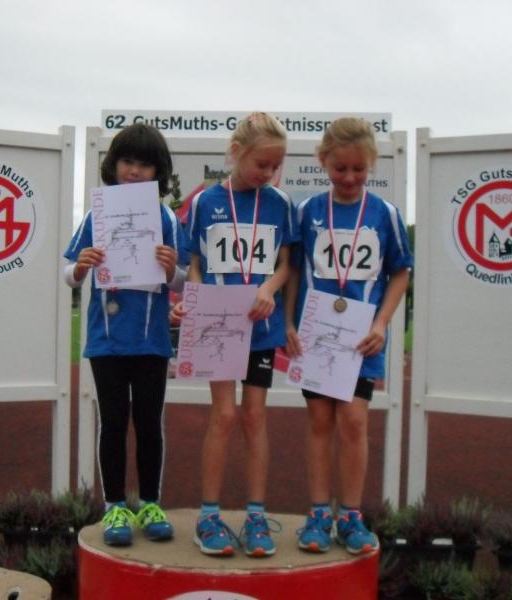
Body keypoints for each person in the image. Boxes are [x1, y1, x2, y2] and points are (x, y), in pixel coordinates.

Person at [285, 117, 412, 555]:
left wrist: (381, 323)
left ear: (372, 163)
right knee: (320, 422)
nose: (350, 177)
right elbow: (293, 272)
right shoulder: (307, 211)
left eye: (359, 168)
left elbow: (401, 272)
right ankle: (319, 513)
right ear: (323, 161)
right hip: (317, 335)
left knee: (355, 422)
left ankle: (351, 515)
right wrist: (288, 323)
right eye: (340, 168)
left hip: (361, 339)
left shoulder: (385, 214)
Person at [178, 112, 296, 557]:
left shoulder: (280, 203)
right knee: (224, 415)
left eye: (275, 165)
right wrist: (196, 299)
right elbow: (195, 263)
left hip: (260, 329)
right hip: (219, 326)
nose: (268, 172)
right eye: (261, 164)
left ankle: (256, 516)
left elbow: (286, 264)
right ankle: (208, 516)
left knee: (255, 417)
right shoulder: (206, 202)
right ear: (235, 153)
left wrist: (269, 288)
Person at [64, 124, 187, 546]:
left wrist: (171, 269)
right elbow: (69, 275)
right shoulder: (97, 215)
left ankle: (150, 503)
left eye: (144, 164)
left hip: (152, 341)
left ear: (158, 172)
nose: (134, 171)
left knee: (149, 424)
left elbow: (183, 280)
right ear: (113, 165)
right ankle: (114, 505)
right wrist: (81, 266)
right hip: (107, 340)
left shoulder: (166, 218)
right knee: (113, 423)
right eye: (127, 162)